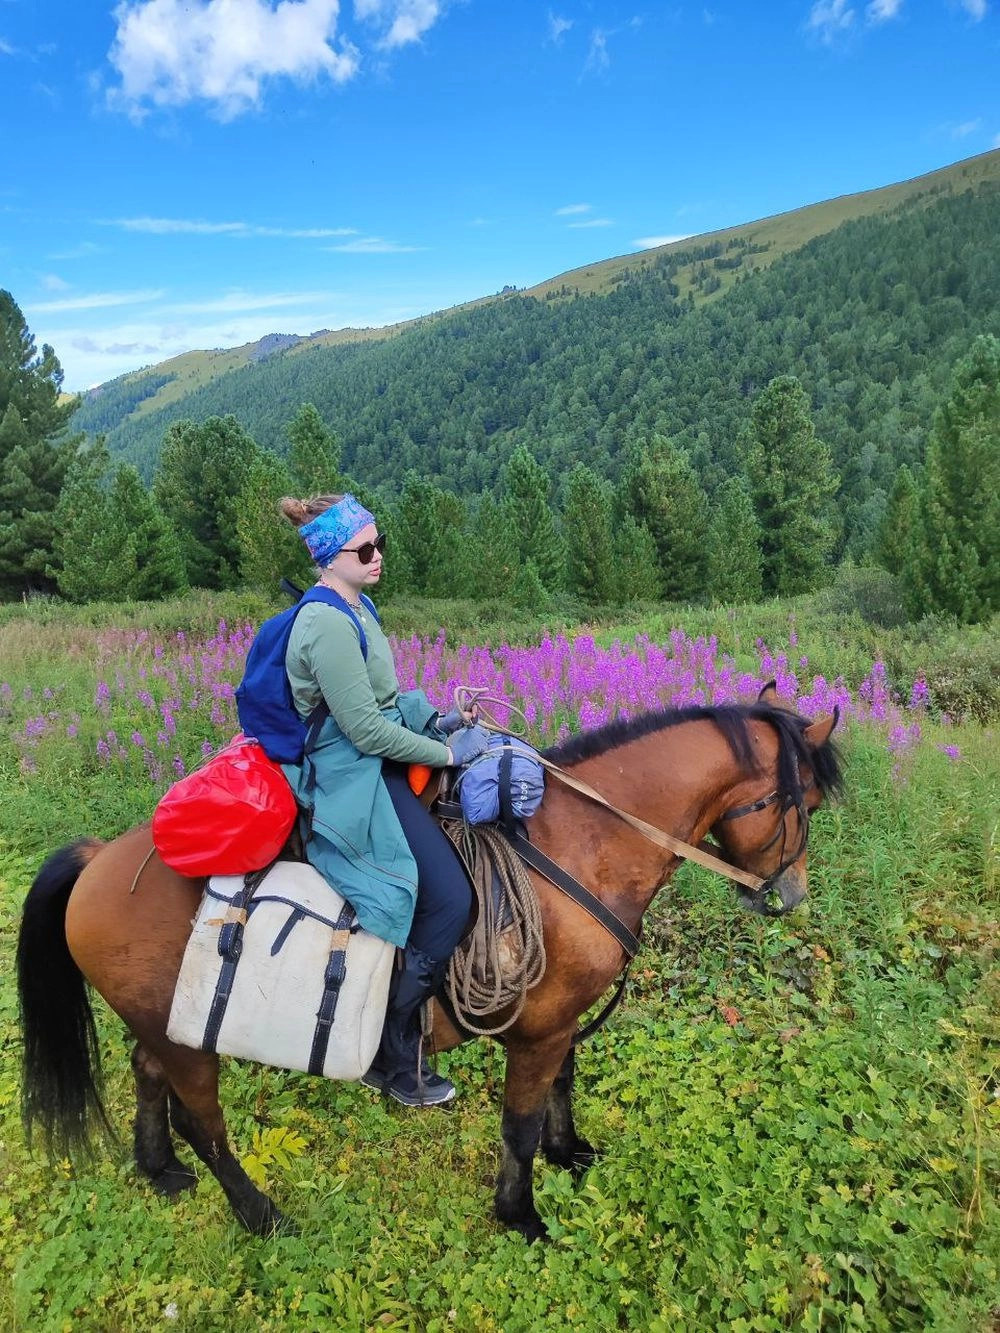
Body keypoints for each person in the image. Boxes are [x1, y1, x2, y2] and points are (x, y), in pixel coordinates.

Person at [279, 492, 490, 1107]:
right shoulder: (323, 623)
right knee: (449, 900)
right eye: (364, 549)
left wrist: (443, 718)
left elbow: (388, 701)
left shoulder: (359, 605)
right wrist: (449, 755)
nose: (378, 558)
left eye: (380, 544)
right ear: (328, 557)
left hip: (377, 760)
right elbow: (365, 730)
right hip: (352, 776)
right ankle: (388, 1052)